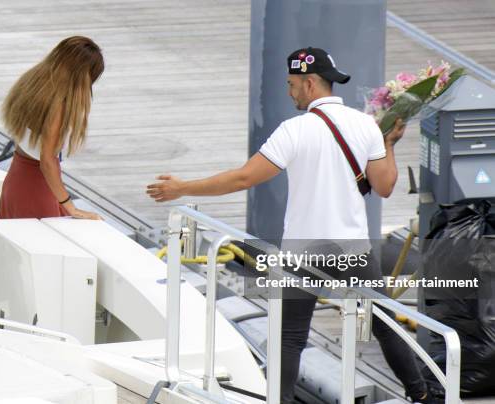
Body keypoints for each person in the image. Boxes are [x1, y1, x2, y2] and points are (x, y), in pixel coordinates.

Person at [147, 47, 435, 403]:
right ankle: (421, 394)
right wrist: (389, 144)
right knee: (383, 324)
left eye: (291, 84)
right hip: (354, 251)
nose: (289, 92)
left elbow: (243, 178)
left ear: (310, 83)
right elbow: (385, 187)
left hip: (303, 253)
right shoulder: (366, 126)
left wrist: (182, 188)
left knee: (289, 337)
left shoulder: (294, 131)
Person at [0, 36, 104, 220]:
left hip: (16, 178)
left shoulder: (33, 83)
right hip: (36, 188)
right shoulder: (59, 105)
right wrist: (70, 206)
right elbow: (47, 161)